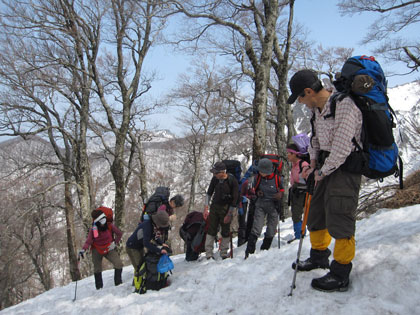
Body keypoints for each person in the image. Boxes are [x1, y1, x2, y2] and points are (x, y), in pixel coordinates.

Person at [287, 69, 362, 292]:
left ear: (309, 91)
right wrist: (311, 163)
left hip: (345, 168)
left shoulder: (345, 106)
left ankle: (340, 272)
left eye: (300, 97)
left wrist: (321, 172)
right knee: (317, 212)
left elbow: (341, 148)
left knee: (340, 217)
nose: (300, 102)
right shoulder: (317, 110)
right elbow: (315, 141)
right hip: (324, 167)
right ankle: (319, 256)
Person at [245, 158, 284, 258]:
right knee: (256, 228)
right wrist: (258, 193)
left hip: (274, 206)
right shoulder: (257, 178)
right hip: (261, 205)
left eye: (261, 171)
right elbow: (255, 189)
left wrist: (280, 194)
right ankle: (249, 252)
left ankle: (264, 250)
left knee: (271, 230)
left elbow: (283, 190)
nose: (260, 172)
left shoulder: (278, 178)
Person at [80, 209, 123, 290]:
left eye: (104, 219)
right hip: (97, 249)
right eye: (102, 220)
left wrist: (114, 243)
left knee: (118, 263)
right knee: (97, 269)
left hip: (109, 248)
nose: (104, 221)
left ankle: (118, 284)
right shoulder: (93, 229)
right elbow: (88, 241)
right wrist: (83, 250)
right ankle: (99, 288)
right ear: (97, 221)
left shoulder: (110, 226)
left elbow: (119, 234)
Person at [203, 161, 239, 260]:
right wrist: (206, 207)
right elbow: (209, 193)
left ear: (223, 172)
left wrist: (230, 213)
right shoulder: (215, 179)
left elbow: (235, 198)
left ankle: (223, 252)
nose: (214, 175)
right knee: (211, 229)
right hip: (215, 207)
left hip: (227, 209)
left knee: (226, 230)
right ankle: (209, 253)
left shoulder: (232, 181)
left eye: (216, 173)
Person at [126, 210, 171, 275]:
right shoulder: (148, 226)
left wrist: (161, 243)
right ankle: (138, 282)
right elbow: (146, 243)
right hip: (132, 247)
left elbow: (154, 236)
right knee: (140, 267)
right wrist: (159, 250)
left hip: (139, 246)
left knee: (143, 263)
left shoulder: (153, 225)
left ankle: (143, 280)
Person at [286, 143, 311, 243]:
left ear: (295, 154)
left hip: (303, 192)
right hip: (296, 192)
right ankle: (299, 234)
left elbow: (309, 179)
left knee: (303, 213)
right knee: (296, 214)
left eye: (289, 153)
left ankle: (302, 235)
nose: (287, 155)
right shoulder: (294, 165)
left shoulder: (303, 165)